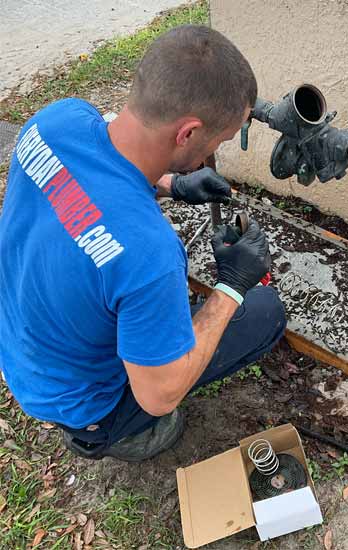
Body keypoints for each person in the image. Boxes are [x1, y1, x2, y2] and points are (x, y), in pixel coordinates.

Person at [0, 25, 286, 462]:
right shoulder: (147, 253)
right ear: (188, 133)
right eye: (221, 139)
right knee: (264, 312)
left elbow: (84, 188)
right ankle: (120, 436)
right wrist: (232, 284)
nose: (217, 148)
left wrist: (171, 184)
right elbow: (159, 395)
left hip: (24, 349)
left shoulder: (55, 121)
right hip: (86, 405)